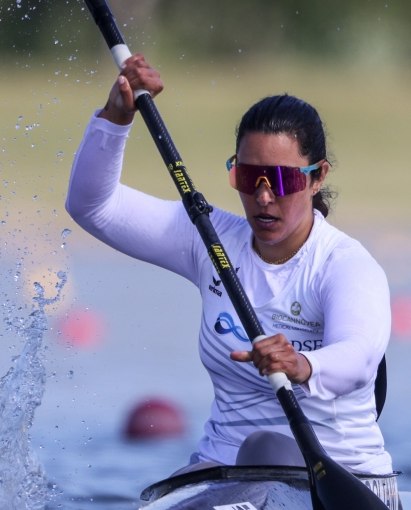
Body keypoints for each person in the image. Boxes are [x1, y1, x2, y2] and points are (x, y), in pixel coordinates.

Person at [66, 55, 394, 475]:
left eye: (281, 180)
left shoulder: (345, 266)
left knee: (265, 448)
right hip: (223, 470)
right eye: (248, 176)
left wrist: (301, 364)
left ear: (317, 177)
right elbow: (91, 205)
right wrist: (116, 117)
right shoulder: (207, 238)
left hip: (339, 477)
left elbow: (361, 358)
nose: (262, 196)